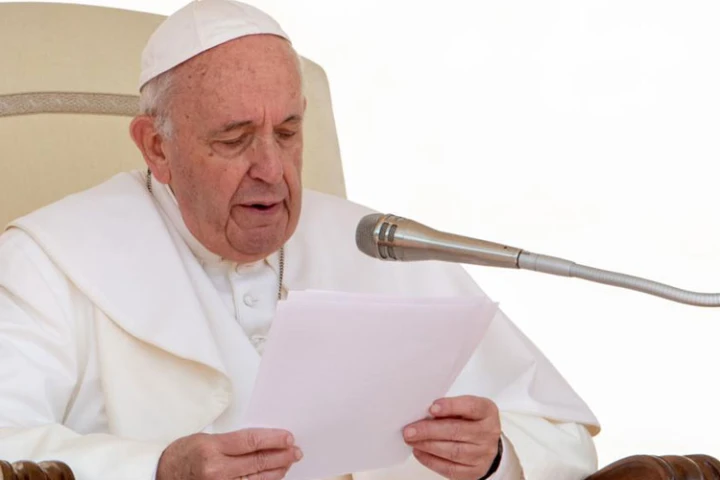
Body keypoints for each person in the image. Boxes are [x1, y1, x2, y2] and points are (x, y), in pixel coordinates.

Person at [0, 1, 600, 479]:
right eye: (234, 139)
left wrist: (494, 455)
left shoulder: (381, 248)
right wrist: (156, 469)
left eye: (287, 132)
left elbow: (563, 439)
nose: (271, 169)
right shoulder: (51, 260)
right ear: (157, 148)